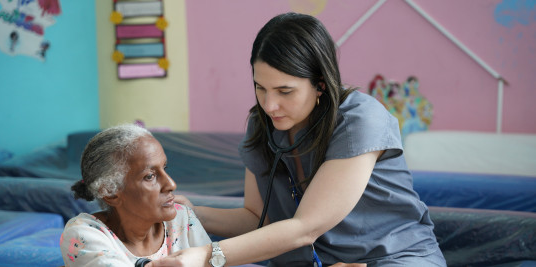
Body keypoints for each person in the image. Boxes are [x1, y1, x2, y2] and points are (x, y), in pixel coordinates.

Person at [148, 12, 446, 267]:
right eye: (260, 88)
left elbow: (305, 228)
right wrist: (190, 213)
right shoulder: (262, 124)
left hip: (396, 257)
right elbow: (256, 217)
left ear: (320, 84)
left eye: (284, 91)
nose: (269, 105)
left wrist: (205, 257)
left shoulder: (360, 121)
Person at [60, 124, 211, 266]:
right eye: (150, 176)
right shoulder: (85, 234)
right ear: (110, 193)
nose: (171, 184)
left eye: (165, 168)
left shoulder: (182, 218)